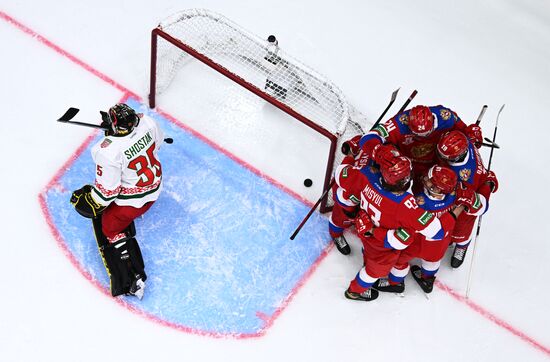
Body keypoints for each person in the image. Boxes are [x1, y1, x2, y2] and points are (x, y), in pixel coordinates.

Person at [332, 151, 470, 302]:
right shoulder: (406, 207)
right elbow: (437, 232)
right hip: (381, 246)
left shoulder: (366, 174)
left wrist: (351, 155)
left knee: (372, 254)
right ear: (404, 181)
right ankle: (354, 292)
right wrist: (458, 209)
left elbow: (340, 172)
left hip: (363, 228)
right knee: (374, 272)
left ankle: (369, 262)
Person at [70, 103, 165, 299]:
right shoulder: (147, 122)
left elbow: (107, 193)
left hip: (133, 204)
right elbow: (158, 143)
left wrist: (90, 201)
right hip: (155, 187)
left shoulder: (107, 151)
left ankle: (133, 274)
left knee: (110, 228)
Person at [356, 105, 483, 192]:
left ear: (433, 123)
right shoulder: (401, 121)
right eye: (416, 133)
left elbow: (461, 136)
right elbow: (368, 137)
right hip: (404, 166)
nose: (421, 137)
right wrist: (378, 151)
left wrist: (472, 134)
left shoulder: (446, 117)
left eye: (426, 133)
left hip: (434, 167)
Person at [374, 165, 459, 294]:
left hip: (416, 243)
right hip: (437, 246)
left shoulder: (418, 202)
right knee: (432, 261)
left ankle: (395, 283)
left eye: (430, 181)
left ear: (436, 189)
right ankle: (427, 280)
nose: (426, 179)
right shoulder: (453, 197)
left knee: (399, 260)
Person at [436, 130, 498, 268]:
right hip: (464, 192)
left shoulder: (466, 175)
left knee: (461, 230)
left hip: (465, 204)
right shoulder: (466, 142)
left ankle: (462, 246)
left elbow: (481, 206)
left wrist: (471, 198)